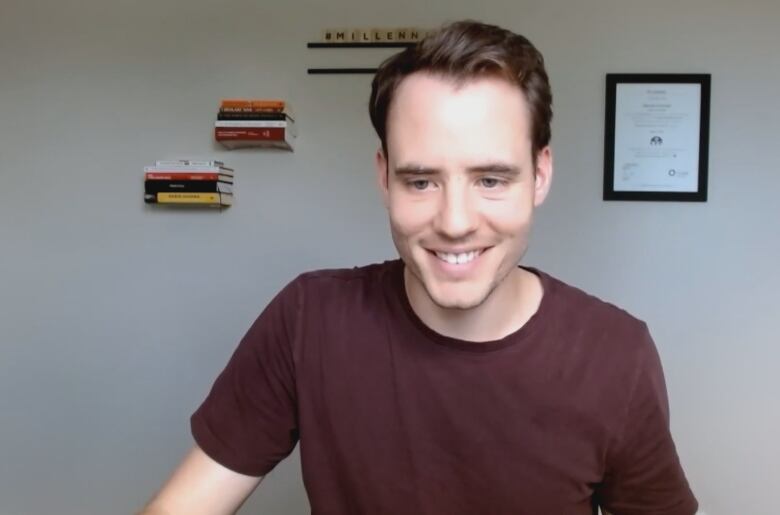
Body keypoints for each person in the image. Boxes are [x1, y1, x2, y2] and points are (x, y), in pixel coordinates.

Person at [140, 20, 698, 515]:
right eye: (421, 181)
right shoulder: (308, 319)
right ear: (384, 178)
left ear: (541, 175)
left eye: (491, 180)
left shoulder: (616, 355)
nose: (455, 223)